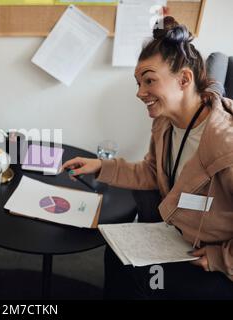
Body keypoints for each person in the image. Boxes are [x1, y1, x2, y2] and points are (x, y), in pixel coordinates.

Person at [62, 17, 233, 299]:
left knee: (153, 283)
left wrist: (221, 259)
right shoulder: (165, 123)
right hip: (178, 239)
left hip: (211, 260)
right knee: (116, 258)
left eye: (150, 80)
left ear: (184, 79)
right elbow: (154, 172)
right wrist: (101, 167)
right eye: (139, 82)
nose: (140, 92)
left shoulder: (225, 144)